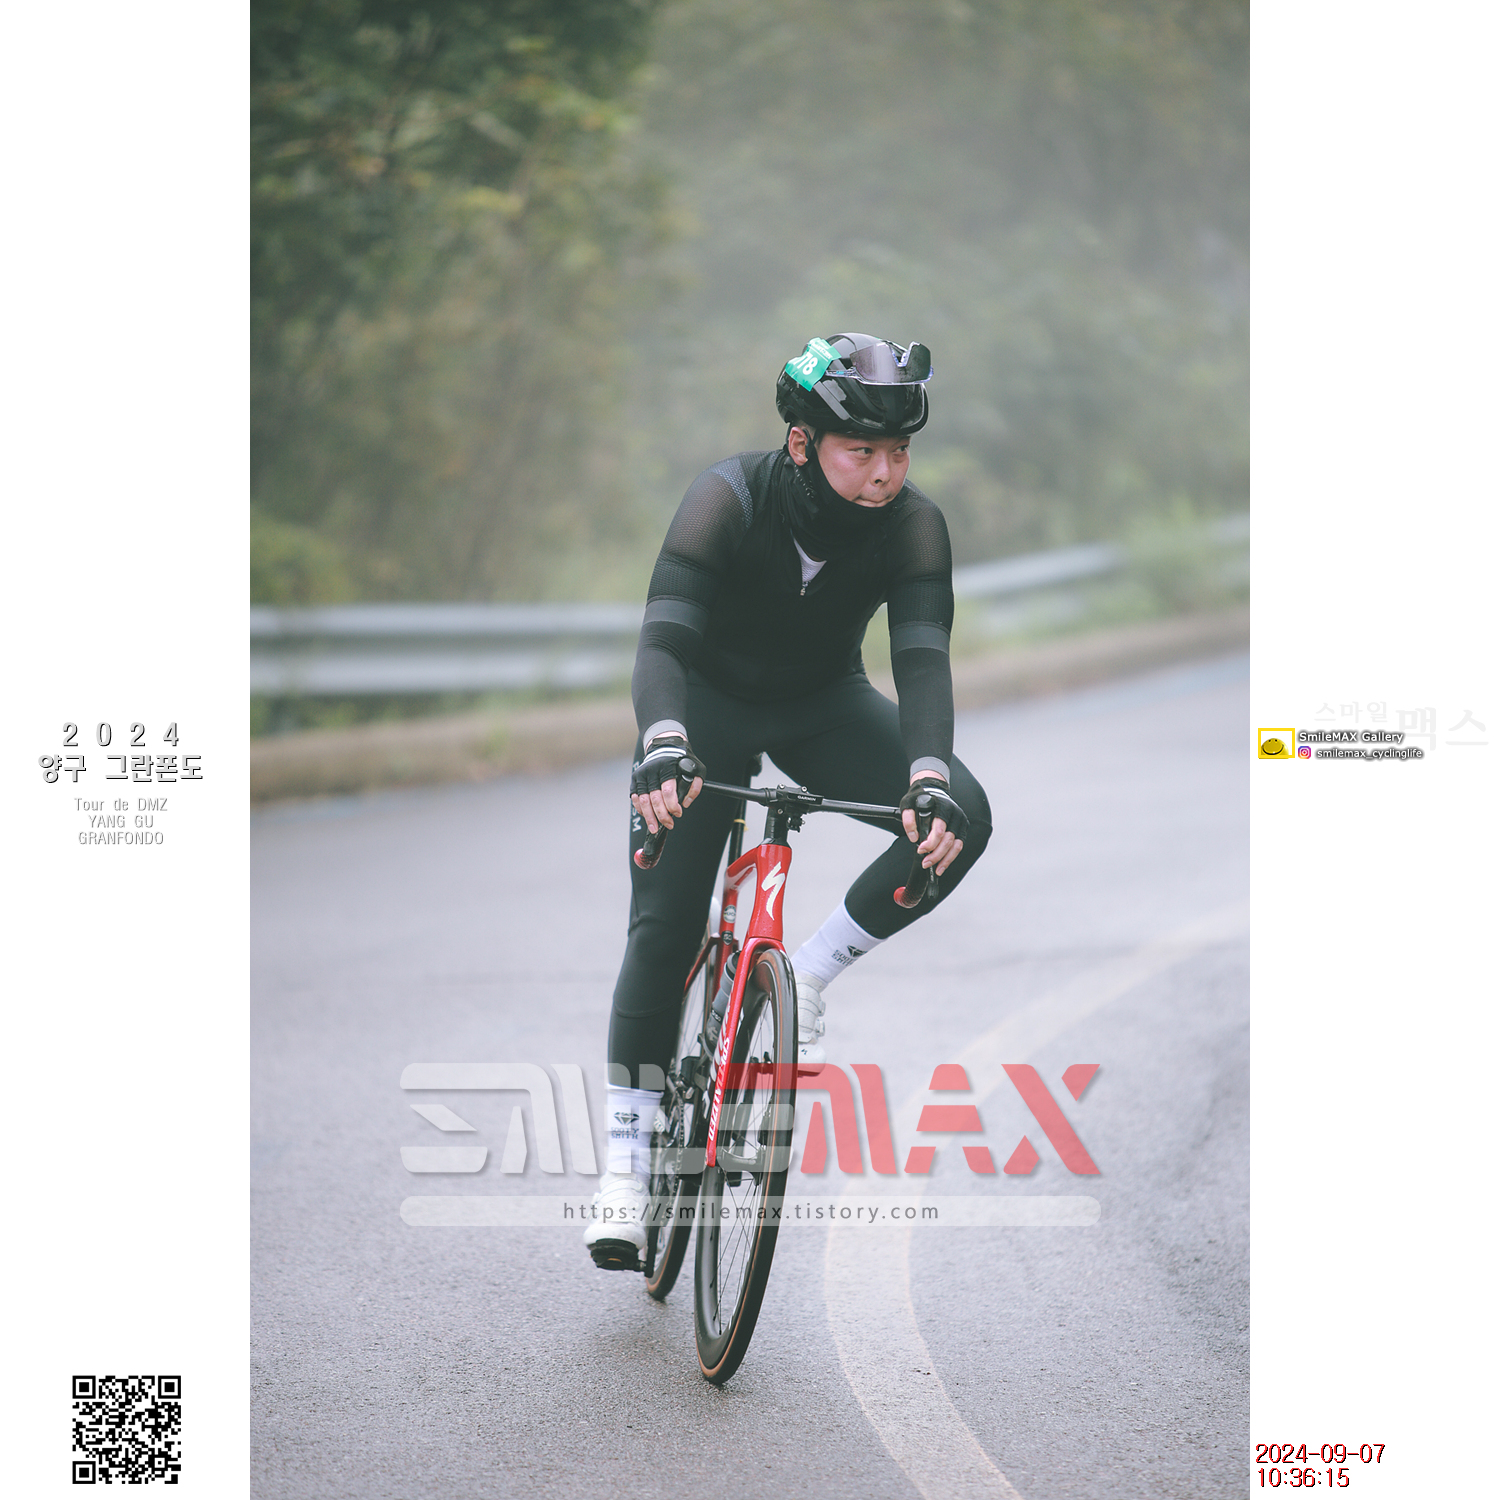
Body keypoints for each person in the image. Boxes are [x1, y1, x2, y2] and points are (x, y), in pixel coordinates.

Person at [585, 333, 992, 1270]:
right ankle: (627, 1163)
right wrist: (664, 740)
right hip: (704, 711)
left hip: (822, 705)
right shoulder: (727, 498)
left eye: (899, 452)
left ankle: (807, 974)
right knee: (665, 927)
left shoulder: (914, 526)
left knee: (961, 815)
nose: (885, 473)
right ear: (803, 443)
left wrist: (928, 776)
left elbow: (922, 663)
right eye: (862, 451)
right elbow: (663, 643)